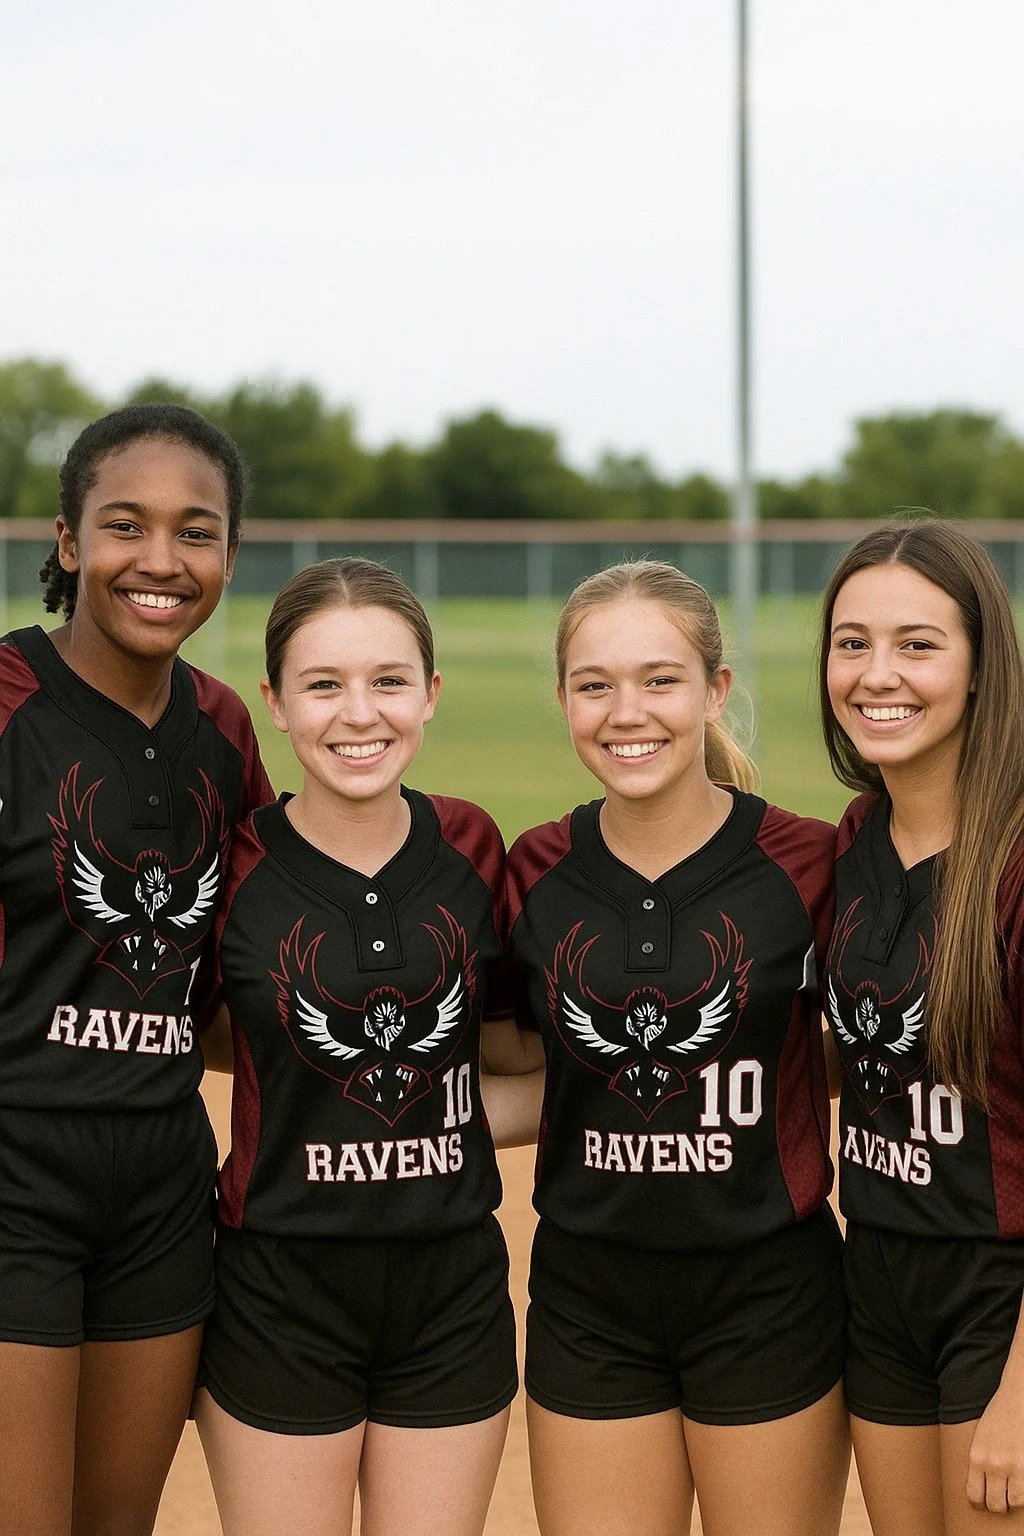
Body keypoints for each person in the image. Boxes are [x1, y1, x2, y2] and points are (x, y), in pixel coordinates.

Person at [503, 560, 850, 1536]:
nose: (628, 711)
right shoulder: (531, 870)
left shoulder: (808, 858)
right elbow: (538, 1074)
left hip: (767, 1290)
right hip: (588, 1296)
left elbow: (845, 1051)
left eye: (659, 679)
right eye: (593, 683)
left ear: (715, 690)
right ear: (565, 699)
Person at [193, 557, 520, 1536]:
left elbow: (504, 1064)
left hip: (449, 1294)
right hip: (275, 1295)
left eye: (388, 680)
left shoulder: (472, 847)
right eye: (323, 684)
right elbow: (203, 1035)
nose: (359, 713)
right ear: (277, 706)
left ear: (430, 693)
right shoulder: (233, 861)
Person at [0, 403, 271, 1536]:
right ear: (68, 543)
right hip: (16, 1169)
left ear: (227, 556)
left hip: (161, 1180)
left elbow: (239, 982)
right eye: (125, 525)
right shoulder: (9, 700)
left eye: (194, 531)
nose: (160, 561)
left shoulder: (222, 725)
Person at [820, 519, 1024, 1533]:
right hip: (881, 1270)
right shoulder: (856, 838)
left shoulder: (1016, 854)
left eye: (917, 644)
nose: (875, 673)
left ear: (981, 665)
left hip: (1001, 1292)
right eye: (851, 642)